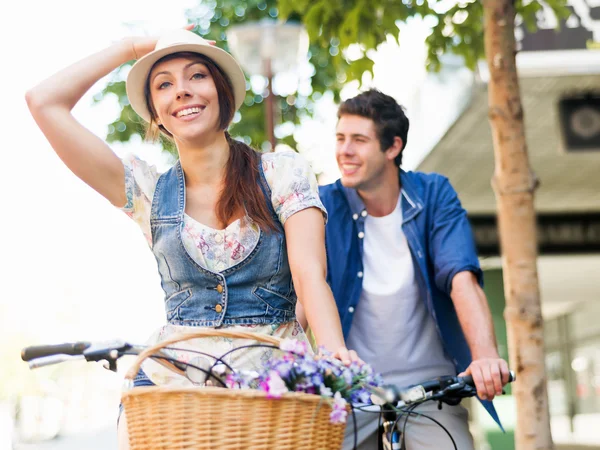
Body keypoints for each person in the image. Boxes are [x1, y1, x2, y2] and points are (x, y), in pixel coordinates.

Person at [26, 28, 358, 449]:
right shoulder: (147, 191)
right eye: (164, 84)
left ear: (223, 94)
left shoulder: (281, 173)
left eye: (197, 76)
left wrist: (333, 356)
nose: (182, 91)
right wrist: (130, 48)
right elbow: (43, 102)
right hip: (172, 389)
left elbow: (310, 276)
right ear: (157, 116)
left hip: (274, 391)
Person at [314, 89, 511, 449]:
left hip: (430, 390)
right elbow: (304, 284)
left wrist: (484, 357)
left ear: (392, 148)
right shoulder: (323, 205)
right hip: (350, 391)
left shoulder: (432, 194)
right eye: (340, 138)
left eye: (359, 140)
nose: (344, 150)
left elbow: (461, 276)